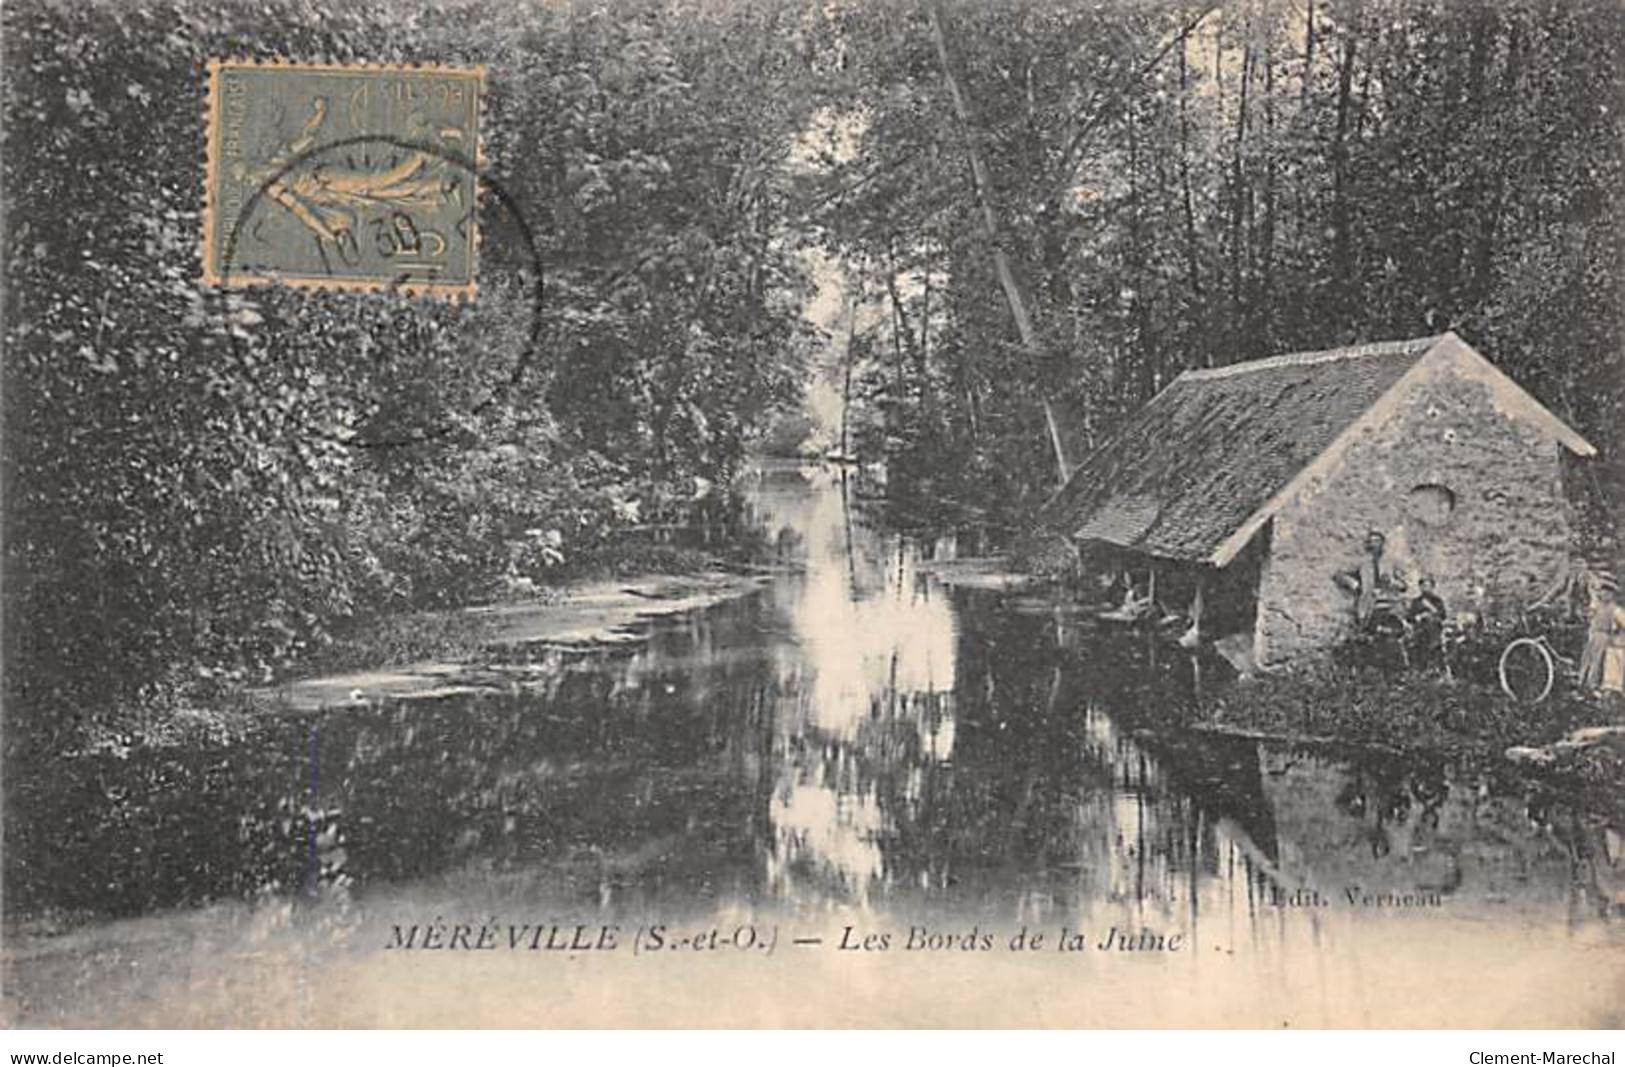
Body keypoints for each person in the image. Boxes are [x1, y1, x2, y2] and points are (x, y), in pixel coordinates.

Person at [1407, 577, 1447, 669]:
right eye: (1423, 586)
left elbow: (1443, 615)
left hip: (1434, 629)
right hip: (1420, 629)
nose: (1425, 588)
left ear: (1432, 587)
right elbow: (1410, 617)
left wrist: (1432, 612)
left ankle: (1435, 667)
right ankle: (1421, 667)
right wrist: (1419, 617)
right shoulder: (1416, 601)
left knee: (1435, 643)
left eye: (1428, 586)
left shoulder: (1437, 601)